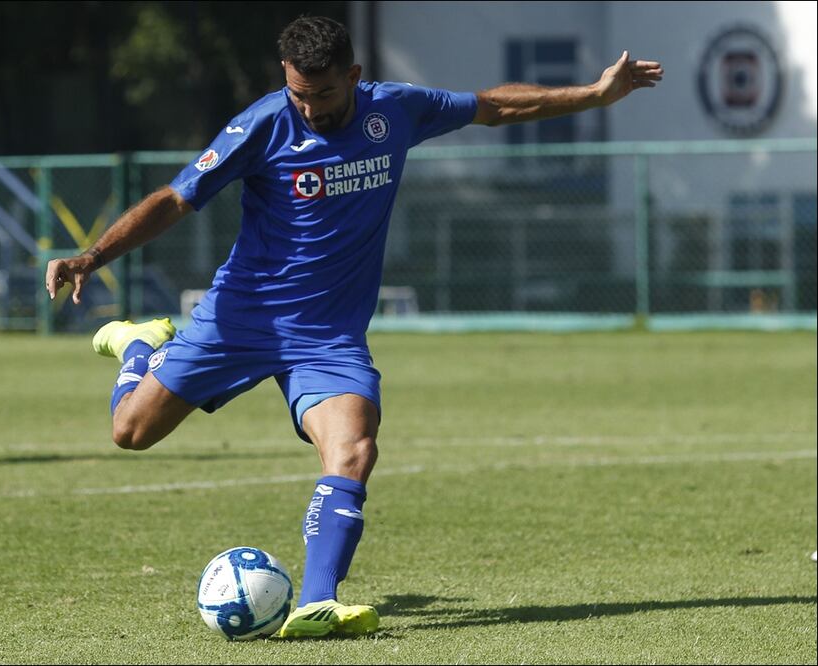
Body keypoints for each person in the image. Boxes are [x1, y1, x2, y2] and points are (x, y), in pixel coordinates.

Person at [46, 17, 662, 639]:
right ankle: (140, 346)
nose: (309, 108)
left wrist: (593, 94)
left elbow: (493, 107)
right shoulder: (263, 124)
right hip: (241, 317)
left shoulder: (394, 112)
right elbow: (178, 198)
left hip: (328, 336)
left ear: (354, 77)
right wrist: (91, 258)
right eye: (297, 94)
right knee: (131, 433)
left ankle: (317, 602)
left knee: (354, 449)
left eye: (323, 94)